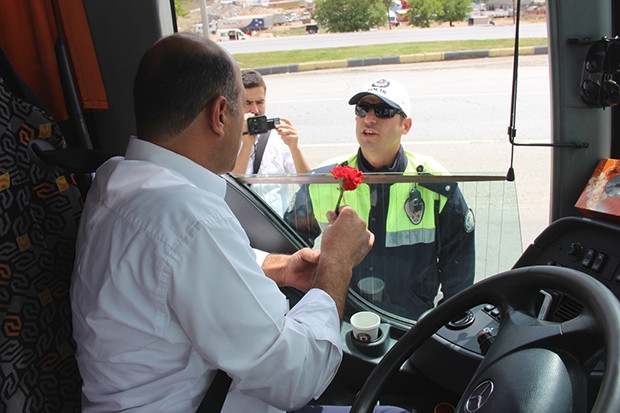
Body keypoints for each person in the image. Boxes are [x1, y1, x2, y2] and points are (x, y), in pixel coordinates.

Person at [70, 33, 409, 413]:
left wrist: (278, 266)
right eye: (240, 110)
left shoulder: (114, 179)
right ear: (219, 115)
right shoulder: (190, 217)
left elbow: (175, 266)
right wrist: (337, 262)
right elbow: (297, 375)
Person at [284, 78, 476, 320]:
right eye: (362, 109)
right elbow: (286, 249)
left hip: (410, 326)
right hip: (341, 322)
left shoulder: (435, 182)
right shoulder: (325, 180)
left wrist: (443, 325)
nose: (369, 119)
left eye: (383, 111)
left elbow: (459, 266)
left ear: (406, 125)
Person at [232, 69, 310, 216]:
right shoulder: (226, 139)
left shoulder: (276, 137)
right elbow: (231, 188)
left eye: (260, 102)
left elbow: (307, 183)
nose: (255, 110)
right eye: (247, 103)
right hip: (243, 226)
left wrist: (295, 148)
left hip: (277, 225)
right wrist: (246, 145)